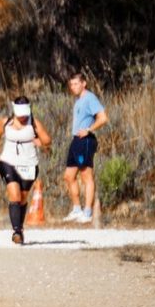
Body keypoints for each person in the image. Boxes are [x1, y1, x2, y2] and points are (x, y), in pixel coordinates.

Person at [0, 96, 52, 244]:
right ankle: (16, 232)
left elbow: (48, 141)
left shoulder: (34, 123)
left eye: (25, 113)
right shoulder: (6, 122)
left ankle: (20, 228)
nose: (23, 117)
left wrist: (40, 141)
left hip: (29, 165)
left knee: (22, 199)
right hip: (8, 162)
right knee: (15, 196)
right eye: (20, 113)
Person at [62, 73, 108, 224]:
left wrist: (89, 129)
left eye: (76, 84)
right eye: (72, 85)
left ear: (84, 83)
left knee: (86, 176)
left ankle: (88, 212)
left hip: (85, 140)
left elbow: (103, 118)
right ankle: (77, 209)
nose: (74, 87)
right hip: (76, 140)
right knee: (68, 176)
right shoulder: (78, 101)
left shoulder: (90, 98)